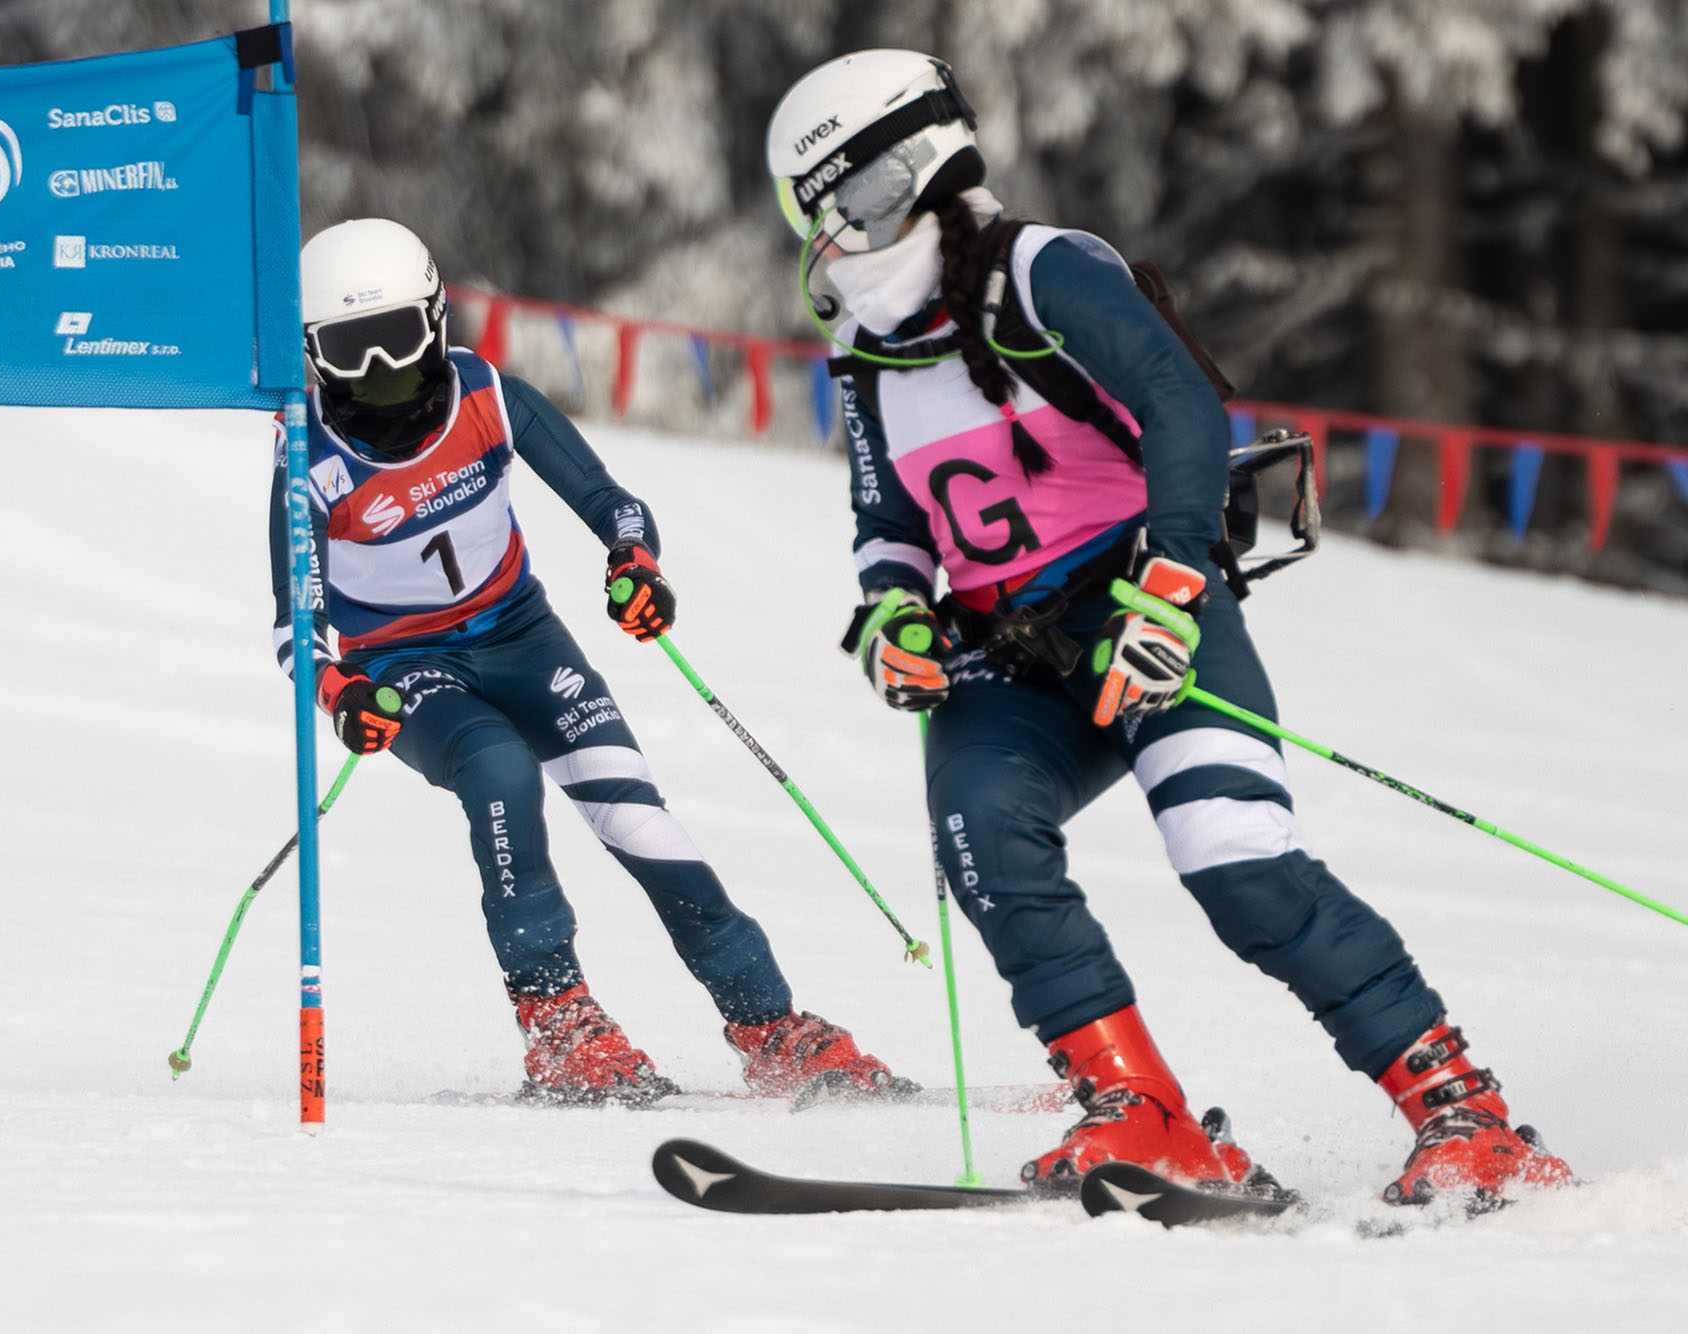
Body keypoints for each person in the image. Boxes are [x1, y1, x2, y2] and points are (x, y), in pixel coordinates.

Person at [763, 50, 1572, 1208]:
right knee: (982, 834)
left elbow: (1179, 400)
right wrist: (892, 610)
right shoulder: (865, 351)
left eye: (843, 204)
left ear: (903, 175)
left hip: (1145, 613)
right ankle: (1138, 1111)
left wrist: (1172, 582)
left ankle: (1465, 1117)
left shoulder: (1042, 268)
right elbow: (886, 519)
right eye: (817, 217)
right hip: (1005, 657)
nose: (832, 240)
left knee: (1235, 863)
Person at [270, 217, 907, 1107]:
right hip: (403, 665)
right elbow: (293, 629)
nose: (380, 371)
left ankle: (770, 1026)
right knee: (498, 770)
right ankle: (559, 1023)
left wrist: (633, 563)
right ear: (312, 355)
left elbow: (614, 504)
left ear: (438, 319)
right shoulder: (310, 458)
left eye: (399, 339)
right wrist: (340, 690)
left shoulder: (488, 397)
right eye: (350, 350)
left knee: (638, 818)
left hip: (521, 637)